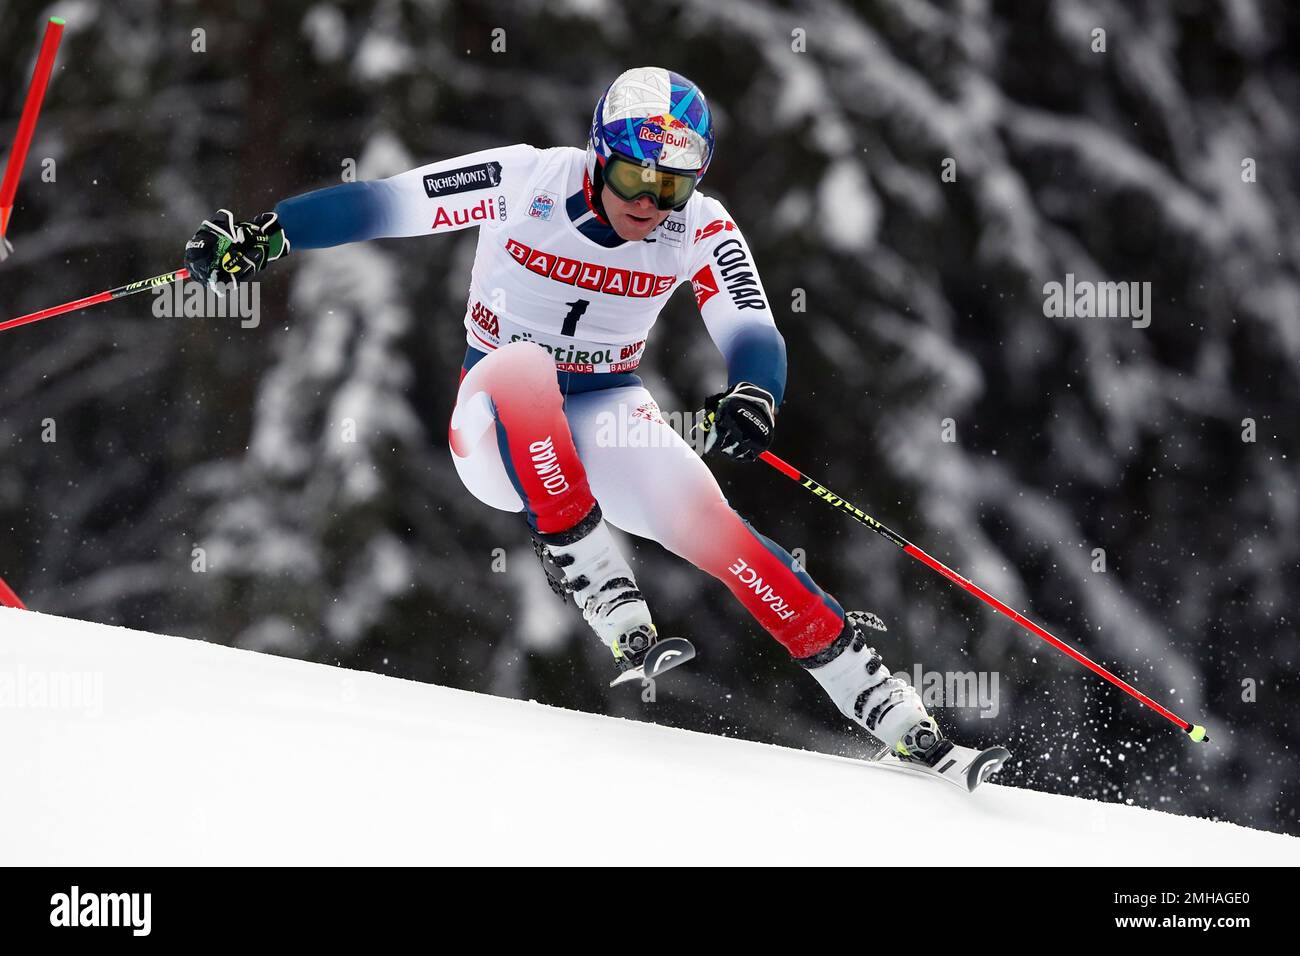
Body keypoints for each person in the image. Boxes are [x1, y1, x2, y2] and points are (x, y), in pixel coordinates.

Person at [184, 66, 950, 765]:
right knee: (524, 369)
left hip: (609, 411)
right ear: (597, 155)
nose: (647, 204)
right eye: (631, 177)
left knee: (717, 530)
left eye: (671, 188)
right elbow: (390, 202)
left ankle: (880, 699)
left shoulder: (701, 227)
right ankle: (584, 564)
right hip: (495, 425)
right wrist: (269, 234)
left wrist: (755, 392)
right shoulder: (526, 180)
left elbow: (750, 323)